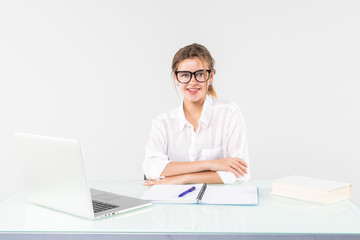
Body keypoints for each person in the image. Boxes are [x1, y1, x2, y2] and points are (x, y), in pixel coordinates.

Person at [143, 43, 250, 185]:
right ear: (176, 78)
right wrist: (211, 164)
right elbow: (152, 168)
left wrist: (184, 179)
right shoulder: (163, 122)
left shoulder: (229, 113)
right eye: (185, 75)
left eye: (200, 74)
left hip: (218, 201)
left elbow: (240, 173)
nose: (192, 82)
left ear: (210, 76)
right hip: (173, 201)